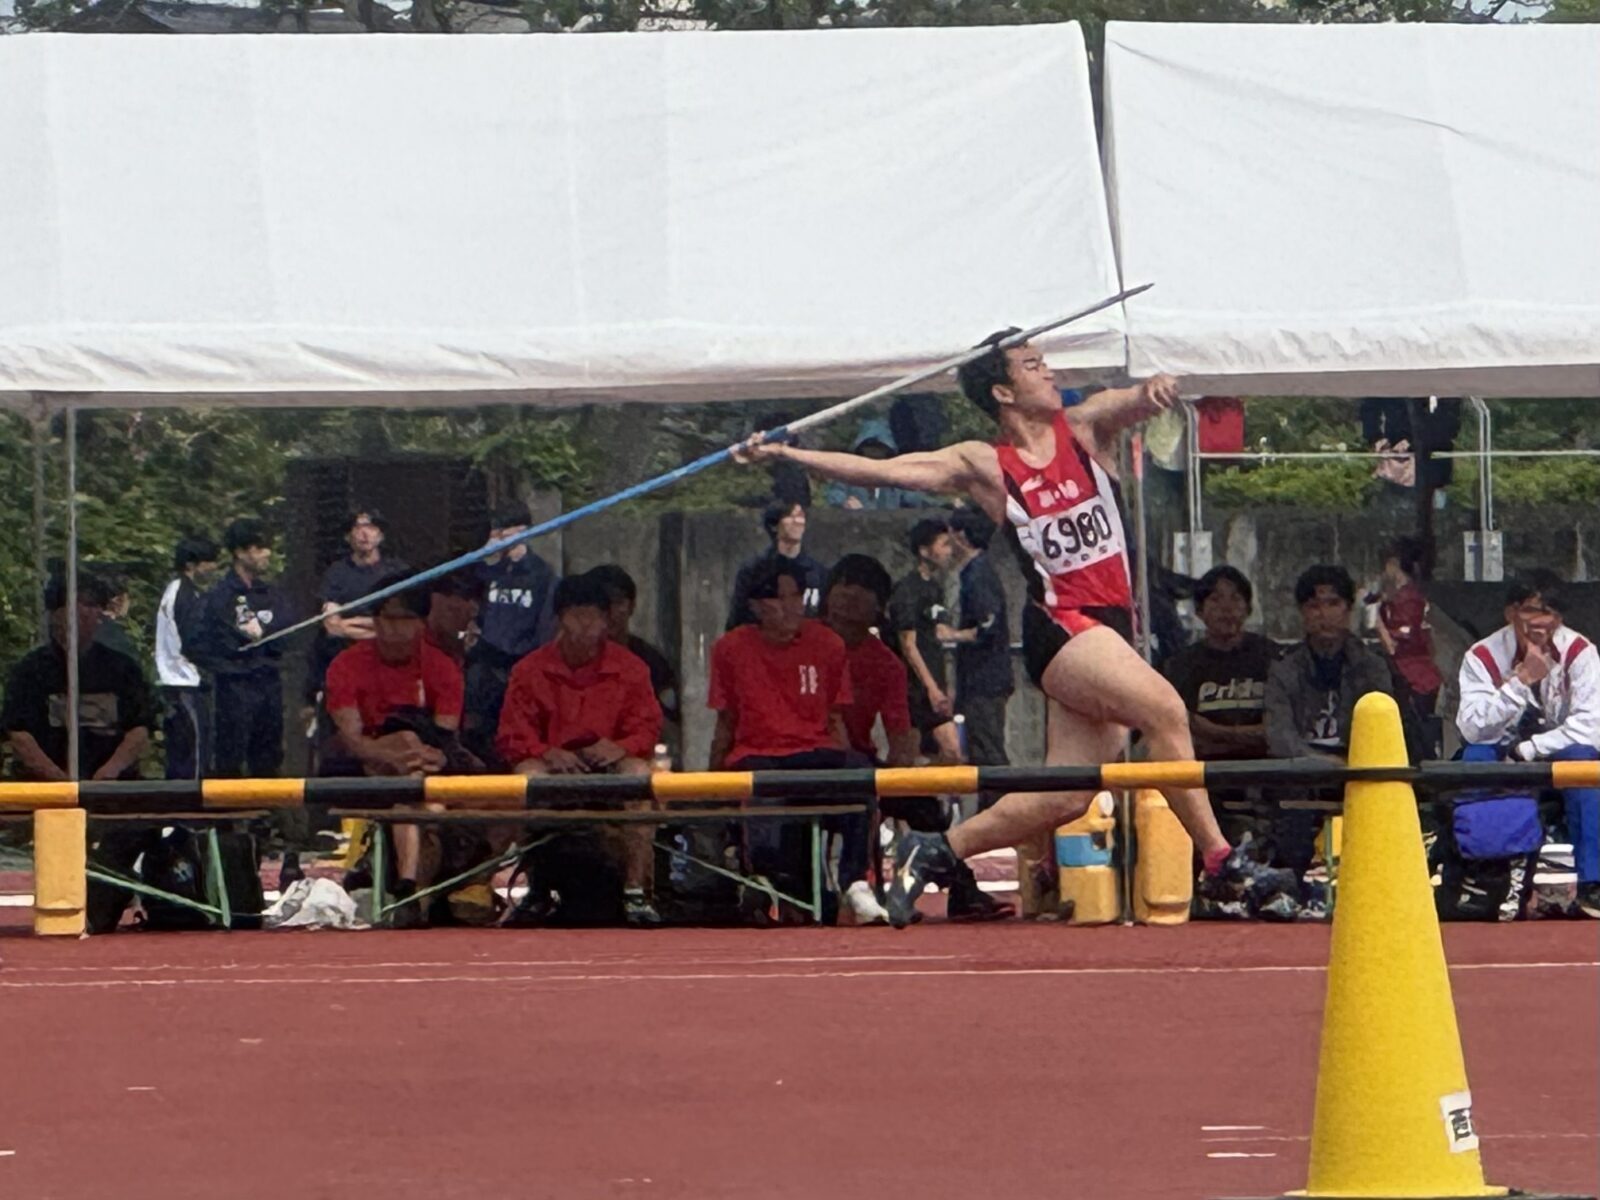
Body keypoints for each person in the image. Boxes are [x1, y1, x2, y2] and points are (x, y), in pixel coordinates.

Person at [735, 329, 1295, 927]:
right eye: (1033, 365)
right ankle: (1221, 862)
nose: (1048, 373)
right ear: (1003, 389)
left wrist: (1155, 391)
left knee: (1068, 793)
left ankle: (939, 850)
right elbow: (890, 472)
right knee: (1164, 710)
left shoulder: (1083, 429)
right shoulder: (985, 464)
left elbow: (1135, 399)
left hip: (1109, 627)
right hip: (1062, 624)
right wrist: (789, 453)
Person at [823, 554, 1009, 922]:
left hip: (859, 762)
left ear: (879, 604)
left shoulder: (885, 663)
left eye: (863, 588)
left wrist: (898, 778)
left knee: (921, 803)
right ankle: (836, 889)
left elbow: (901, 734)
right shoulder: (807, 643)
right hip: (809, 756)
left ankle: (959, 887)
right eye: (842, 584)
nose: (849, 595)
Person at [709, 557, 879, 925]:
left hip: (816, 752)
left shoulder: (828, 644)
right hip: (758, 755)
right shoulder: (730, 648)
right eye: (779, 598)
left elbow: (835, 718)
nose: (791, 606)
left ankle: (855, 882)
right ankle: (766, 886)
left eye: (796, 596)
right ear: (755, 605)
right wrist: (712, 777)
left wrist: (851, 764)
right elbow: (726, 720)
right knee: (765, 826)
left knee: (861, 776)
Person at [498, 574, 664, 926]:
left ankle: (635, 889)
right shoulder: (529, 670)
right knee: (525, 776)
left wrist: (619, 747)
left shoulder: (632, 668)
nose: (586, 626)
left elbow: (647, 728)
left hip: (610, 769)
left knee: (640, 775)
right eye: (577, 615)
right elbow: (512, 736)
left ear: (607, 621)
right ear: (560, 617)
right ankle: (536, 886)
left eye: (594, 616)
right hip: (553, 770)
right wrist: (546, 752)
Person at [1455, 570, 1600, 918]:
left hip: (1552, 753)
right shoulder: (1482, 656)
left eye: (1548, 612)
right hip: (1499, 749)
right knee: (1475, 759)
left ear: (1559, 618)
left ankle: (1593, 883)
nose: (1539, 622)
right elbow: (1472, 728)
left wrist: (1529, 750)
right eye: (1530, 611)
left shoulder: (1580, 652)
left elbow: (1591, 727)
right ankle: (1486, 877)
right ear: (1510, 613)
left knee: (1585, 762)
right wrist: (1520, 683)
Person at [324, 582, 466, 916]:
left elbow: (445, 735)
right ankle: (412, 888)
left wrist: (430, 756)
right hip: (361, 766)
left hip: (425, 768)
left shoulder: (442, 667)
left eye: (404, 620)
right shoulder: (346, 665)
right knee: (409, 763)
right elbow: (352, 740)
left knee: (418, 789)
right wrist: (393, 755)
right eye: (386, 618)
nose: (393, 629)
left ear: (421, 623)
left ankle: (414, 886)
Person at [1263, 564, 1394, 885]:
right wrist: (1328, 764)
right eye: (1314, 605)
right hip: (1302, 770)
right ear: (1302, 613)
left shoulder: (1372, 667)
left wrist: (1352, 765)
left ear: (1348, 609)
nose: (1324, 613)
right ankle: (1290, 884)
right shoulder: (1284, 669)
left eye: (1333, 603)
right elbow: (1279, 739)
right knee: (1288, 793)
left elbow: (1385, 732)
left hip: (1359, 768)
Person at [198, 519, 290, 779]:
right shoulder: (220, 596)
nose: (266, 554)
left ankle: (267, 816)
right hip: (235, 686)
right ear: (240, 552)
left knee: (269, 755)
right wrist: (238, 655)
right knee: (230, 754)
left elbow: (285, 631)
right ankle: (226, 818)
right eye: (259, 548)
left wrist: (263, 636)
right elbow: (212, 642)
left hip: (269, 682)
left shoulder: (271, 593)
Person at [465, 502, 558, 757]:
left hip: (522, 662)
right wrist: (484, 554)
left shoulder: (542, 573)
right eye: (496, 530)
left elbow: (546, 623)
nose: (501, 536)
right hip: (485, 662)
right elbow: (466, 589)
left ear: (523, 530)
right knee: (478, 728)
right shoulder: (486, 571)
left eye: (505, 529)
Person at [1162, 566, 1277, 763]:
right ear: (1199, 611)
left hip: (1267, 773)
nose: (1226, 608)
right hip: (1203, 774)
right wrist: (1247, 737)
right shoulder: (1180, 666)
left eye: (1235, 599)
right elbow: (1184, 732)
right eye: (1215, 599)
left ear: (1248, 609)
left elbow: (1278, 731)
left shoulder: (1272, 657)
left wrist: (1215, 732)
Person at [939, 507, 1013, 776]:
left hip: (985, 679)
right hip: (981, 678)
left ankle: (1001, 806)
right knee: (981, 750)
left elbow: (987, 626)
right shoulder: (977, 571)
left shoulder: (978, 574)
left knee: (988, 752)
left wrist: (952, 634)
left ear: (961, 536)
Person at [309, 507, 408, 704]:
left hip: (388, 665)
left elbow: (405, 626)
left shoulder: (398, 573)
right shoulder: (336, 574)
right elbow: (333, 627)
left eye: (371, 527)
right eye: (358, 527)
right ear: (348, 536)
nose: (364, 533)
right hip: (346, 663)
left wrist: (352, 623)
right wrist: (379, 627)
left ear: (380, 535)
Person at [888, 517, 961, 764]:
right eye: (943, 545)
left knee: (943, 754)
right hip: (915, 686)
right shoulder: (907, 591)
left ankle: (927, 797)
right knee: (918, 752)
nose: (948, 551)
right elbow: (908, 644)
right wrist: (930, 687)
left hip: (934, 678)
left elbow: (938, 636)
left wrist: (944, 683)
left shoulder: (936, 588)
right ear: (924, 551)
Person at [585, 563, 682, 734]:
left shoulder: (652, 662)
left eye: (617, 602)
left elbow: (669, 726)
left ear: (631, 605)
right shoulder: (571, 658)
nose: (610, 612)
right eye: (601, 604)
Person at [154, 535, 221, 780]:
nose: (213, 568)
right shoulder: (186, 595)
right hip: (184, 683)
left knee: (182, 752)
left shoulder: (177, 591)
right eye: (209, 562)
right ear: (192, 565)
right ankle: (190, 811)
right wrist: (220, 662)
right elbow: (192, 642)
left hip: (178, 684)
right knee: (193, 754)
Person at [1373, 536, 1443, 757]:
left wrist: (1375, 621)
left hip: (1415, 679)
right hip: (1415, 677)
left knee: (1416, 738)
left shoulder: (1408, 599)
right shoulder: (1394, 599)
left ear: (1393, 564)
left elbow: (1393, 646)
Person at [724, 500, 828, 631]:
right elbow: (737, 619)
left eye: (800, 516)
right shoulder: (753, 571)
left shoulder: (818, 572)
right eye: (790, 516)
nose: (797, 521)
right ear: (774, 525)